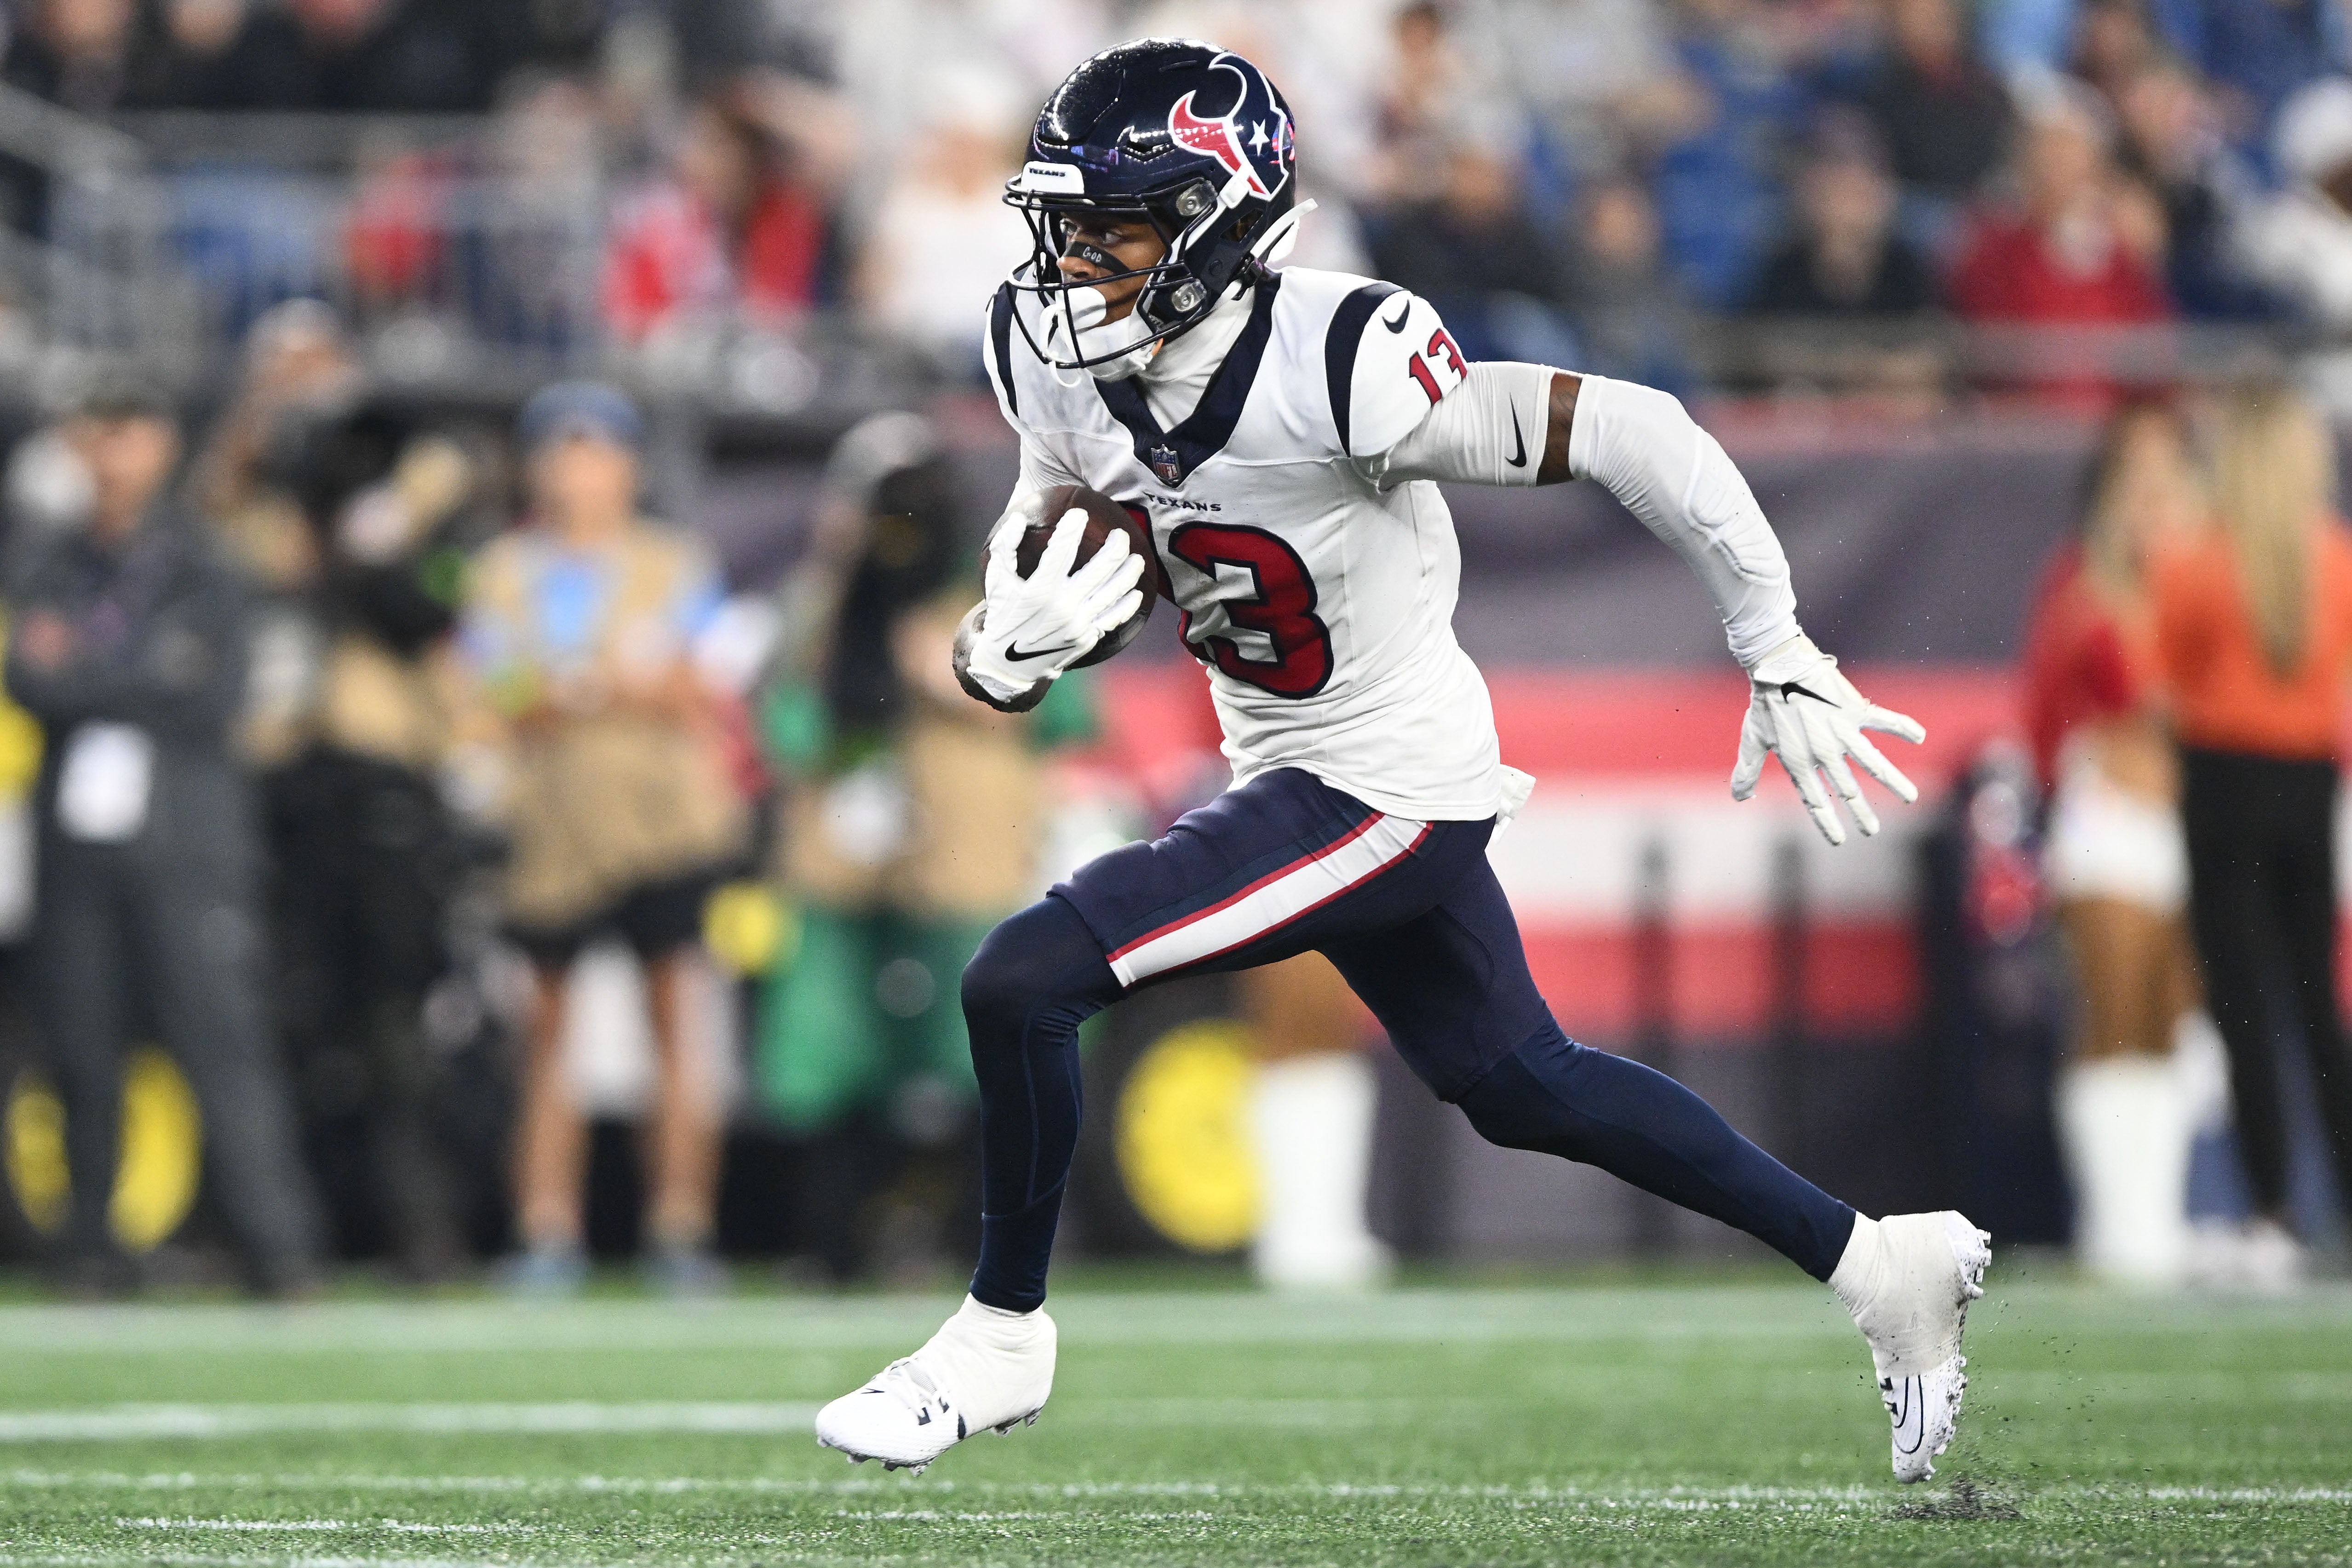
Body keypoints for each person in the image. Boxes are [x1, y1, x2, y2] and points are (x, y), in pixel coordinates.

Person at [813, 39, 1989, 1485]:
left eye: (1112, 229)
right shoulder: (1042, 347)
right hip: (1295, 764)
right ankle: (1881, 1266)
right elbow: (1060, 509)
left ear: (1219, 225)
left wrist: (1776, 637)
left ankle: (1002, 1336)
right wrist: (1003, 639)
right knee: (1522, 1081)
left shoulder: (1347, 362)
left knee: (1023, 976)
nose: (1071, 263)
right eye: (1062, 226)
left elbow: (1639, 427)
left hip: (1381, 782)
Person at [4, 382, 321, 1296]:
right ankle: (92, 1248)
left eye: (132, 433)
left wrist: (90, 671)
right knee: (79, 1044)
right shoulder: (48, 559)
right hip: (77, 839)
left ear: (164, 443)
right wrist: (143, 670)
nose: (115, 454)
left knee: (219, 1039)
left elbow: (214, 696)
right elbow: (31, 684)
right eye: (98, 434)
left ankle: (277, 1246)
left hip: (186, 838)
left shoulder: (204, 561)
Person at [194, 301, 479, 1280]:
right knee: (280, 1013)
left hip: (380, 768)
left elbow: (430, 606)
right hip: (276, 772)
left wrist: (366, 516)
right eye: (284, 372)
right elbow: (207, 538)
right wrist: (262, 444)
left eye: (318, 370)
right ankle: (281, 1231)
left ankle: (421, 1228)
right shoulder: (253, 505)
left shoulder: (402, 481)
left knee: (400, 1015)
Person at [456, 382, 747, 1293]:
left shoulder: (675, 560)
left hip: (661, 821)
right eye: (564, 453)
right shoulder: (503, 568)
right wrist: (608, 686)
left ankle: (682, 1225)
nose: (580, 472)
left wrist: (571, 690)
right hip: (552, 826)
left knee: (677, 1019)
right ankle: (547, 1227)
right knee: (546, 1033)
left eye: (597, 453)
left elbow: (697, 686)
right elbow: (496, 694)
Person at [2151, 383, 2352, 1290]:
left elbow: (2164, 683)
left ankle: (2273, 1207)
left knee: (2241, 1004)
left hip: (2223, 783)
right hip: (2310, 786)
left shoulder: (2193, 563)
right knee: (2316, 1003)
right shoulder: (2335, 561)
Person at [2021, 400, 2205, 1285]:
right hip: (2112, 816)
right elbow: (2047, 712)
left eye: (2166, 472)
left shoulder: (2218, 575)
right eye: (2133, 473)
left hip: (2200, 817)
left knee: (2178, 1025)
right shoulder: (2082, 581)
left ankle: (2157, 1228)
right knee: (2115, 1018)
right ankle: (2115, 1231)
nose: (2150, 493)